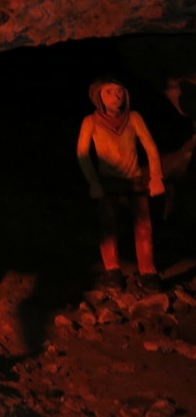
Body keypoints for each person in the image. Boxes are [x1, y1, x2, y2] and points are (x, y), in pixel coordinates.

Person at [76, 76, 164, 291]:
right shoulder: (91, 121)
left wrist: (156, 177)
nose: (116, 96)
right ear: (98, 97)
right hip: (107, 182)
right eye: (109, 92)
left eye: (120, 91)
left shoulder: (133, 118)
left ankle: (148, 271)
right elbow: (82, 154)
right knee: (108, 227)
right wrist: (94, 182)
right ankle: (112, 271)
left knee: (143, 226)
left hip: (134, 179)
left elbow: (150, 147)